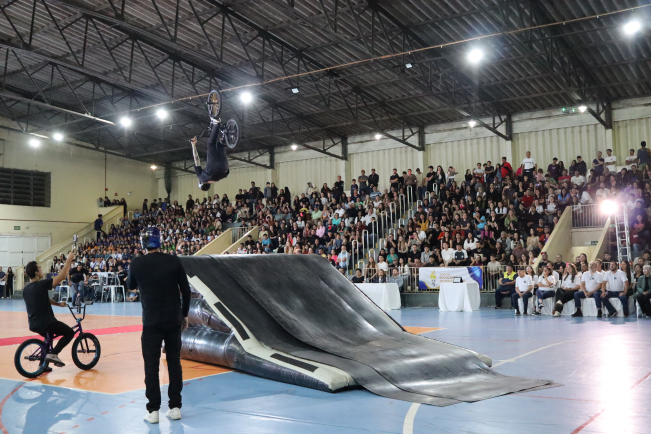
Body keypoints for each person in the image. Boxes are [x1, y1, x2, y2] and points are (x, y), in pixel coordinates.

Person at [127, 227, 191, 424]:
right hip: (173, 320)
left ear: (143, 243)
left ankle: (153, 410)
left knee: (151, 365)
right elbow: (186, 290)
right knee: (174, 362)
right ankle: (175, 407)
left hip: (151, 322)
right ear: (160, 241)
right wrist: (184, 315)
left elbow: (130, 285)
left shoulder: (136, 263)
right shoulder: (174, 261)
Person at [22, 247, 76, 369]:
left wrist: (58, 304)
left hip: (33, 324)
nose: (42, 269)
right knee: (69, 333)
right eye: (40, 268)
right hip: (47, 322)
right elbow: (62, 276)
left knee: (48, 337)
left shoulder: (26, 290)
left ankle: (43, 365)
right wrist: (68, 260)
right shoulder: (42, 285)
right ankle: (54, 353)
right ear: (36, 272)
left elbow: (44, 299)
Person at [191, 105, 235, 191]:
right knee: (211, 144)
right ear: (201, 183)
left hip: (224, 171)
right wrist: (193, 145)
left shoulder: (215, 181)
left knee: (220, 146)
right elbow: (196, 160)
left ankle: (226, 138)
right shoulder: (201, 178)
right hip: (213, 169)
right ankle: (216, 124)